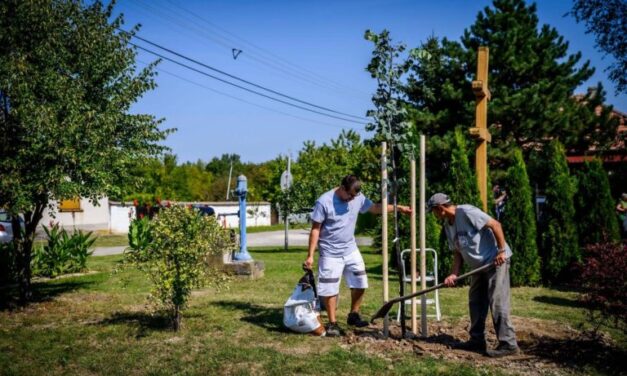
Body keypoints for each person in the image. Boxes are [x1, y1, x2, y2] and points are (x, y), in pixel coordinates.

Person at [303, 175, 411, 337]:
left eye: (355, 196)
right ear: (342, 188)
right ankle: (332, 323)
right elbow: (316, 229)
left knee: (360, 281)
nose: (352, 199)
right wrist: (310, 255)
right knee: (329, 288)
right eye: (350, 196)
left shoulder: (357, 197)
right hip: (330, 252)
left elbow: (375, 208)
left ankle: (353, 314)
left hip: (350, 249)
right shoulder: (324, 202)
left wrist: (399, 208)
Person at [427, 193, 519, 357]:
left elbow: (495, 225)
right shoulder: (448, 225)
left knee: (497, 303)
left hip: (494, 262)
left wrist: (501, 251)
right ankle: (477, 341)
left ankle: (509, 344)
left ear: (440, 208)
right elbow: (457, 253)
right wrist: (453, 274)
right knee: (475, 302)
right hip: (478, 268)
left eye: (433, 211)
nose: (434, 215)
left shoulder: (467, 212)